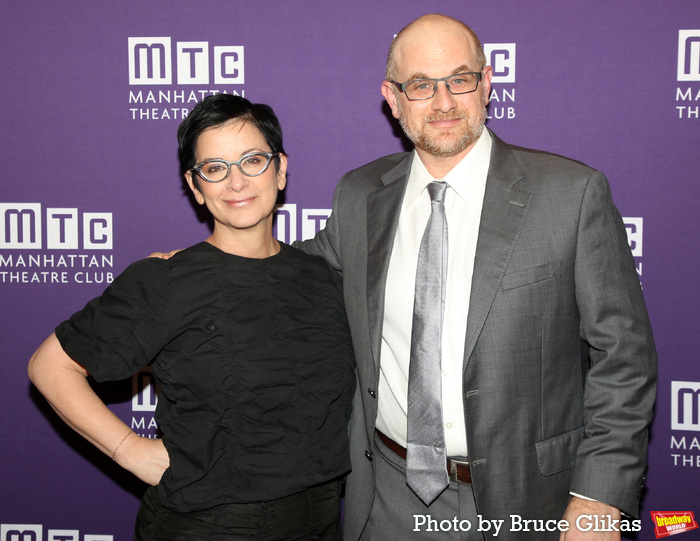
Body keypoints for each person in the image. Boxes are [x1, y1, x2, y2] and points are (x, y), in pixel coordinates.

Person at [296, 13, 657, 541]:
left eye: (460, 79)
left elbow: (623, 357)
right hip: (387, 499)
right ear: (393, 99)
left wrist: (599, 501)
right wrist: (198, 261)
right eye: (420, 85)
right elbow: (292, 271)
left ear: (486, 84)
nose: (443, 102)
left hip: (527, 503)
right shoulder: (358, 195)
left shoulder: (571, 195)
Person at [28, 94, 356, 540]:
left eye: (252, 160)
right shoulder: (166, 280)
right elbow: (50, 366)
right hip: (205, 526)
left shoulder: (322, 277)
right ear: (197, 186)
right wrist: (129, 450)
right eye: (215, 168)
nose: (236, 182)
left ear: (280, 169)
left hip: (319, 523)